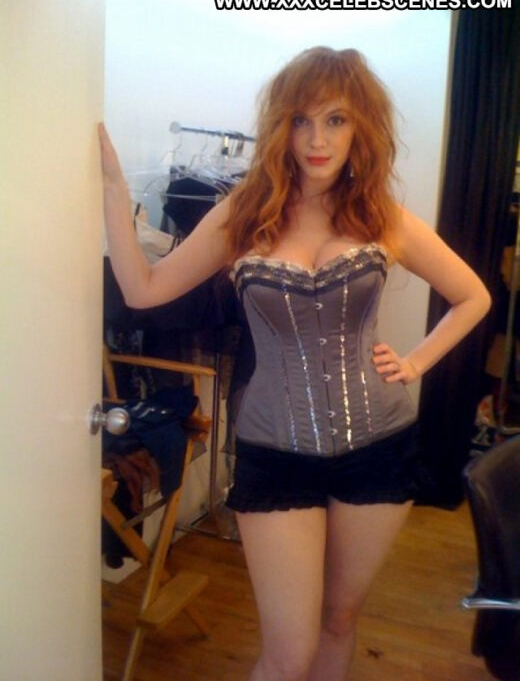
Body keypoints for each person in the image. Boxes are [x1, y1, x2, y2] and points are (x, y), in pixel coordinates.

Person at [99, 47, 491, 681]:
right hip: (274, 454)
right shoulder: (244, 213)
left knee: (339, 620)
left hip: (379, 448)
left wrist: (416, 363)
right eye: (302, 120)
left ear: (361, 126)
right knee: (287, 656)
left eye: (336, 120)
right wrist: (115, 193)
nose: (317, 139)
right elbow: (143, 290)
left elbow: (473, 296)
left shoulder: (381, 216)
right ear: (281, 125)